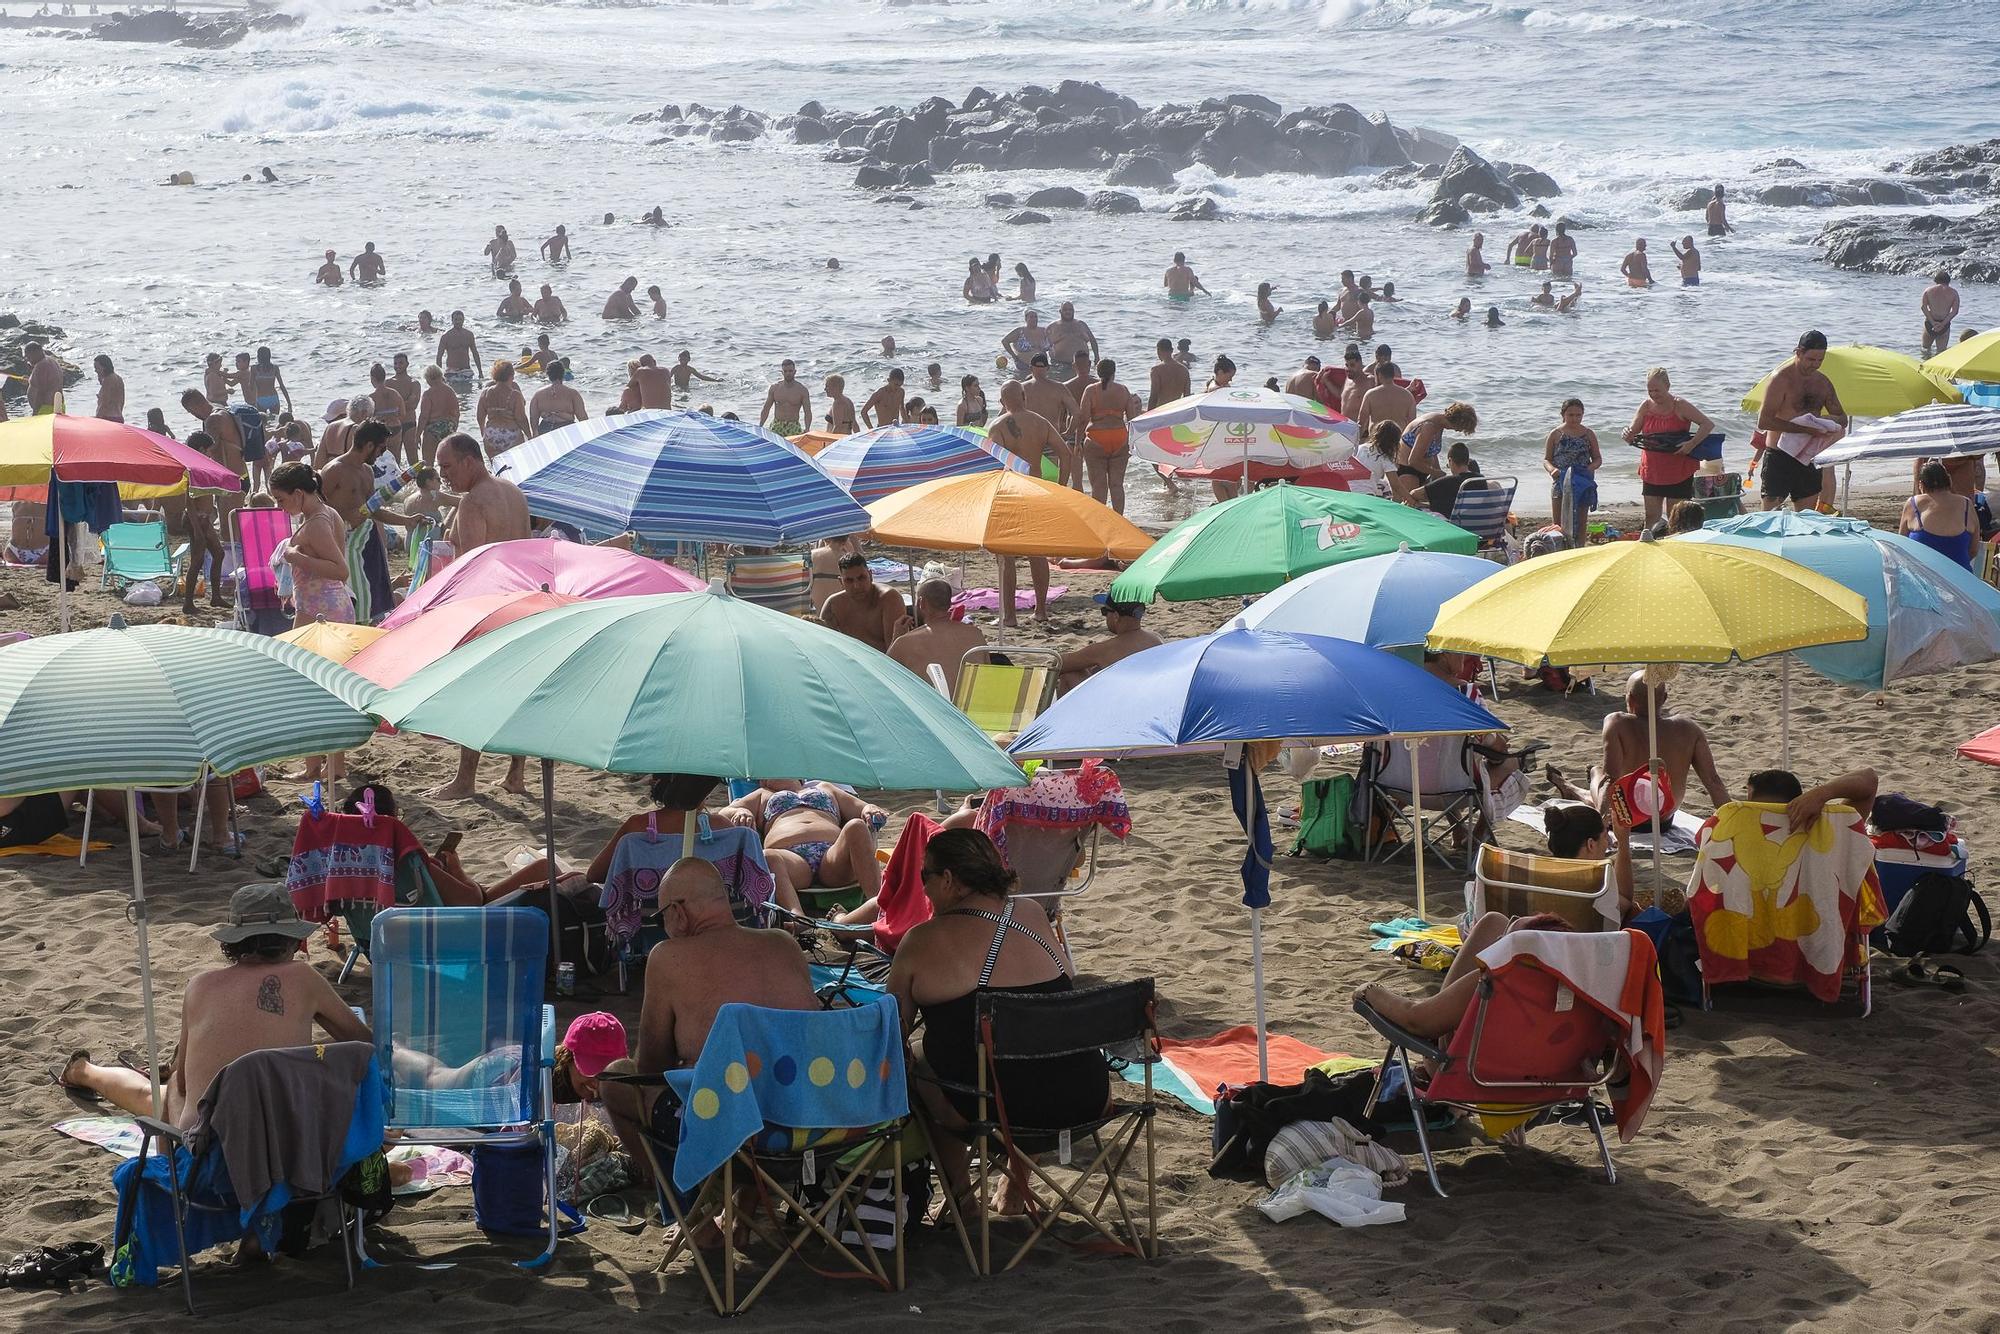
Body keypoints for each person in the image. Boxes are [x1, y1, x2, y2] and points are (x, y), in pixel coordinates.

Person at [889, 829, 1106, 1214]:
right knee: (1032, 1054)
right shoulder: (1034, 914)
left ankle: (961, 1198)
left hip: (998, 1110)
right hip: (1086, 1096)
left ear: (950, 880)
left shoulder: (921, 940)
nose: (923, 889)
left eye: (925, 877)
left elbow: (891, 1034)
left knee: (917, 1066)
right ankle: (1014, 1190)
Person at [54, 885, 372, 1127]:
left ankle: (86, 1072)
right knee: (174, 1089)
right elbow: (363, 1041)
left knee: (169, 1092)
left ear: (233, 942)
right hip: (283, 1142)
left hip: (204, 1148)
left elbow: (182, 1082)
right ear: (290, 938)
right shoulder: (303, 976)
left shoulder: (200, 986)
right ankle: (87, 1072)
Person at [598, 860, 817, 1193]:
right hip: (808, 1125)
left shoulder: (668, 958)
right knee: (759, 1076)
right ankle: (742, 1212)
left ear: (679, 912)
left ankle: (691, 1210)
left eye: (661, 917)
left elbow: (651, 1068)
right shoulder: (784, 945)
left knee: (616, 1079)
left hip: (732, 1134)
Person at [428, 435, 532, 799]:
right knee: (519, 689)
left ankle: (465, 779)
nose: (444, 476)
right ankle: (515, 775)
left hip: (488, 603)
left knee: (471, 688)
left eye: (448, 467)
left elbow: (473, 566)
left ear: (470, 460)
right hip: (523, 597)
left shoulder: (473, 502)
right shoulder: (512, 491)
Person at [1546, 670, 1732, 826]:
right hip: (1664, 821)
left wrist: (1601, 824)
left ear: (1630, 698)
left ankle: (1579, 785)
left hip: (1626, 819)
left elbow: (1611, 781)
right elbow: (1713, 781)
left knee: (1601, 775)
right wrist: (1734, 822)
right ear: (1665, 698)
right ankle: (1574, 788)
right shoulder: (1689, 728)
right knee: (1611, 783)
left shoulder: (1617, 723)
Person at [986, 382, 1070, 623]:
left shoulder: (998, 426)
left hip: (1011, 491)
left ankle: (1009, 616)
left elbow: (993, 465)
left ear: (1002, 401)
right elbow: (1066, 454)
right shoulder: (1040, 422)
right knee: (1037, 553)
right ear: (1024, 396)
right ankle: (1041, 611)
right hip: (1036, 490)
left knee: (1005, 555)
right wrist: (1059, 488)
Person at [728, 780, 887, 903]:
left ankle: (880, 903)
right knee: (768, 856)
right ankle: (797, 917)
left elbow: (862, 807)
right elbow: (726, 812)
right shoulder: (762, 794)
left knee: (856, 826)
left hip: (832, 857)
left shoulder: (826, 787)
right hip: (791, 860)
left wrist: (869, 809)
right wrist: (741, 810)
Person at [1754, 330, 1846, 513]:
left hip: (1809, 457)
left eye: (1820, 360)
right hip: (1779, 456)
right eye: (1811, 359)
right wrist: (1803, 428)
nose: (1815, 365)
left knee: (1806, 517)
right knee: (1769, 515)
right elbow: (1764, 421)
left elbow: (1842, 418)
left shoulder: (1822, 382)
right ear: (1798, 352)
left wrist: (1819, 422)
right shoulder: (1780, 379)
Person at [1624, 367, 1716, 528]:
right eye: (1650, 390)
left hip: (1678, 469)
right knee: (1651, 515)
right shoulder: (1645, 406)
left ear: (1667, 386)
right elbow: (1633, 430)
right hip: (1652, 469)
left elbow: (1707, 424)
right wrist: (1626, 433)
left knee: (1676, 517)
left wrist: (1691, 444)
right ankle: (1648, 545)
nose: (1654, 394)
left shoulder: (1679, 405)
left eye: (1657, 390)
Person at [269, 460, 354, 626]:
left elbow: (341, 571)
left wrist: (295, 557)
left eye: (281, 500)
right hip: (329, 605)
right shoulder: (327, 512)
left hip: (320, 611)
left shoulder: (316, 524)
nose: (279, 506)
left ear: (298, 493)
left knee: (294, 652)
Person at [889, 578, 987, 691]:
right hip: (970, 705)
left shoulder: (905, 642)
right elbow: (987, 671)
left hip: (930, 706)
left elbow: (884, 675)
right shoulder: (975, 634)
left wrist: (896, 637)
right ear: (949, 603)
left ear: (921, 603)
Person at [1074, 358, 1139, 512]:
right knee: (1117, 485)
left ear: (1098, 372)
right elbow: (1131, 419)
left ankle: (1101, 522)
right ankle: (1119, 521)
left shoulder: (1091, 390)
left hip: (1097, 437)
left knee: (1098, 485)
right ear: (1114, 373)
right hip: (1119, 437)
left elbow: (1083, 419)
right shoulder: (1123, 390)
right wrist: (1132, 442)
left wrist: (1077, 442)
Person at [1057, 598, 1162, 692]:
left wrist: (1086, 662)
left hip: (1117, 705)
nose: (1105, 616)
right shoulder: (1156, 639)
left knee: (1069, 675)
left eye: (1105, 612)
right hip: (1148, 698)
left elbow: (1059, 664)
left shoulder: (1105, 649)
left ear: (1116, 616)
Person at [178, 431, 228, 614]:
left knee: (219, 554)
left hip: (204, 519)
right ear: (201, 449)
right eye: (209, 451)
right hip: (195, 520)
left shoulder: (201, 467)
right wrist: (198, 530)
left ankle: (215, 597)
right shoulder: (192, 470)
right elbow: (188, 503)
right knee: (197, 561)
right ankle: (188, 604)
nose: (210, 454)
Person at [1390, 402, 1478, 505]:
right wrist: (1435, 473)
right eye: (1462, 428)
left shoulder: (1439, 424)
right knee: (1406, 507)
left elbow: (1431, 452)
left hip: (1421, 471)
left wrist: (1438, 473)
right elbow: (1413, 461)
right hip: (1407, 471)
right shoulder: (1429, 426)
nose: (1460, 431)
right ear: (1459, 422)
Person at [819, 552, 905, 652]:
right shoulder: (833, 605)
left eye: (861, 578)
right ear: (841, 582)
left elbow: (897, 652)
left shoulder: (889, 598)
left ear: (870, 575)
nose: (857, 586)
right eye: (849, 580)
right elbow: (824, 647)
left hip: (885, 664)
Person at [1900, 460, 1978, 568]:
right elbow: (1973, 550)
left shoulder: (1913, 504)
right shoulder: (1966, 504)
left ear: (1921, 485)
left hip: (1924, 578)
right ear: (1949, 480)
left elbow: (1901, 546)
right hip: (1961, 578)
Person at [1545, 397, 1601, 543]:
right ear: (1563, 414)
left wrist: (1590, 468)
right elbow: (1546, 459)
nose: (1575, 418)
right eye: (1571, 415)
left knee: (1581, 522)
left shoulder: (1589, 434)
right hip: (1560, 481)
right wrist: (1552, 470)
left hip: (1582, 482)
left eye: (1578, 415)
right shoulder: (1555, 434)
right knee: (1558, 524)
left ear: (1583, 415)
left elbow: (1597, 459)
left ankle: (1580, 547)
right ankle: (1559, 551)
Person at [1355, 360, 1418, 452]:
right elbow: (1413, 425)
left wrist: (1355, 444)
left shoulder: (1371, 394)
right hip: (1398, 444)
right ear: (1393, 375)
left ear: (1379, 375)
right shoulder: (1408, 395)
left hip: (1376, 442)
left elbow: (1361, 422)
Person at [476, 360, 530, 457]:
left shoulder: (485, 393)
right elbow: (521, 418)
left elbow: (480, 416)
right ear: (511, 376)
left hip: (491, 434)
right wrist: (529, 435)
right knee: (514, 465)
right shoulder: (515, 395)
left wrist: (483, 432)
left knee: (495, 466)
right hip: (511, 435)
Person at [1423, 441, 1484, 517]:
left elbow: (1414, 494)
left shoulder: (1446, 482)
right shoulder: (1482, 481)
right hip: (1478, 522)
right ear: (1467, 461)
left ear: (1450, 461)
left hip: (1455, 524)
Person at [414, 365, 458, 467]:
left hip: (433, 428)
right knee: (448, 462)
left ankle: (431, 481)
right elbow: (456, 412)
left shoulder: (428, 393)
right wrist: (454, 427)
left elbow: (424, 416)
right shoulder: (450, 391)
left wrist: (417, 435)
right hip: (449, 426)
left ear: (428, 378)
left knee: (428, 462)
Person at [529, 362, 588, 436]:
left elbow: (533, 418)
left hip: (546, 428)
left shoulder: (538, 394)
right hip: (567, 428)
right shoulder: (572, 394)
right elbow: (582, 417)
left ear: (548, 375)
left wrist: (535, 433)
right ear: (563, 374)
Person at [759, 359, 811, 436]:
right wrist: (760, 426)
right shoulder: (775, 388)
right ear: (782, 372)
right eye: (785, 371)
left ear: (795, 371)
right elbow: (766, 408)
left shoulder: (802, 390)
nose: (788, 373)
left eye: (790, 371)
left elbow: (807, 412)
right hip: (777, 425)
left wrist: (807, 429)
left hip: (793, 426)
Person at [1047, 302, 1098, 380]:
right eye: (1065, 310)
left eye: (1070, 309)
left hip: (1082, 364)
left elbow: (1093, 341)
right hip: (1060, 365)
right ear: (1060, 311)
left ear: (1074, 311)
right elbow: (1044, 345)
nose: (1068, 312)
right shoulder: (1052, 327)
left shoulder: (1081, 324)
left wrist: (1097, 357)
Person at [1000, 310, 1052, 379]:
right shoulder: (1019, 331)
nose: (1034, 319)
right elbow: (1005, 341)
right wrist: (1014, 356)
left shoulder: (1044, 331)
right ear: (1026, 319)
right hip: (1023, 367)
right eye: (1031, 317)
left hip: (1042, 368)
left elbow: (1053, 343)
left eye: (1035, 317)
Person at [1922, 271, 1961, 356]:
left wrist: (1933, 323)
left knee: (1925, 350)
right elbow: (1955, 311)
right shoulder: (1954, 293)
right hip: (1944, 324)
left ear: (1936, 280)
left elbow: (1923, 307)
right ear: (1948, 281)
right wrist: (1942, 324)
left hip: (1930, 323)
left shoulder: (1928, 290)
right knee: (1941, 353)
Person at [1148, 337, 1190, 409]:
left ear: (1158, 350)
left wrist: (1147, 416)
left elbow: (1153, 396)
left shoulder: (1156, 370)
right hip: (1176, 410)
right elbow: (1187, 396)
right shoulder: (1184, 370)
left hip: (1161, 410)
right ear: (1172, 350)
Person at [23, 342, 62, 413]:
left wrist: (36, 411)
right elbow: (47, 383)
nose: (27, 359)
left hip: (46, 408)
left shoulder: (41, 366)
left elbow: (40, 391)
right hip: (58, 406)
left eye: (28, 356)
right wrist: (30, 380)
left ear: (35, 353)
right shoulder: (51, 360)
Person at [91, 354, 123, 422]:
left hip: (108, 418)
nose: (95, 370)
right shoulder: (119, 378)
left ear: (104, 367)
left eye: (97, 368)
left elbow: (104, 404)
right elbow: (121, 401)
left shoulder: (108, 380)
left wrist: (97, 420)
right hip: (119, 417)